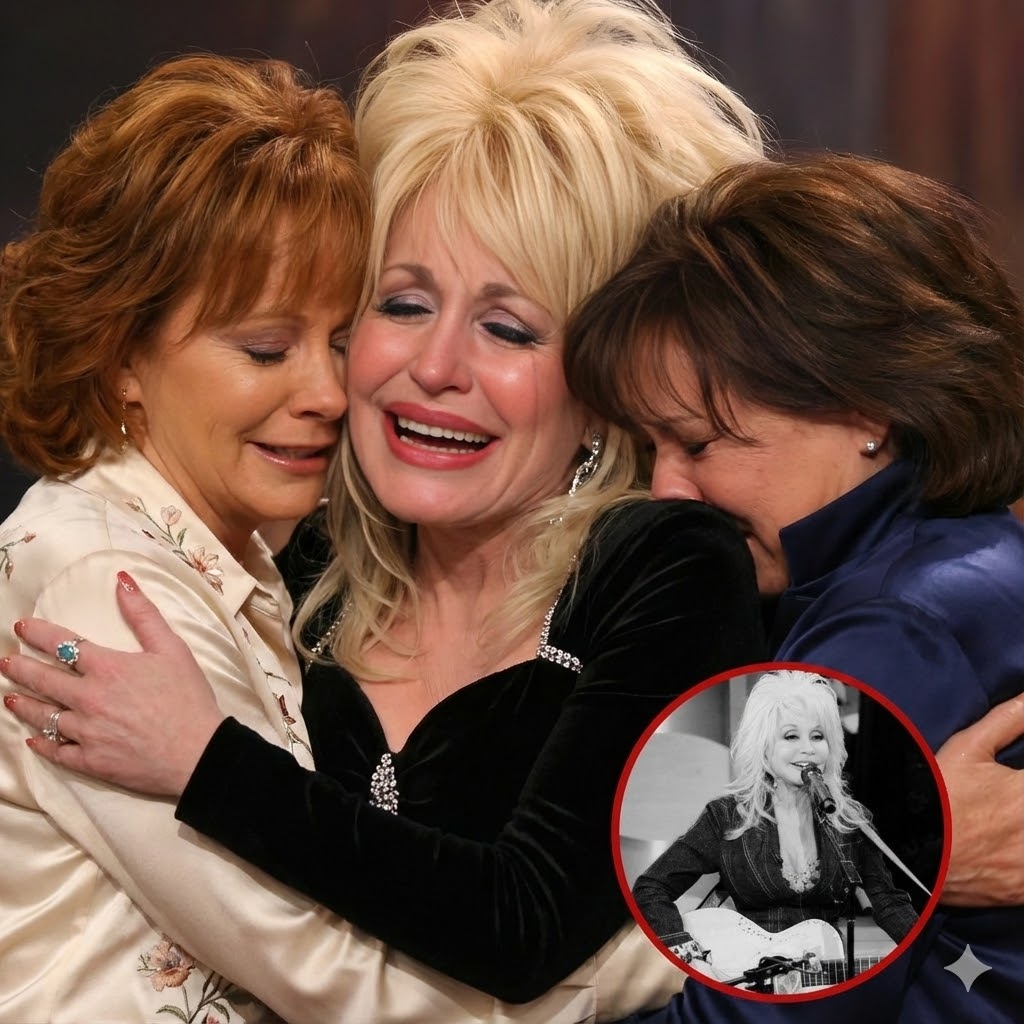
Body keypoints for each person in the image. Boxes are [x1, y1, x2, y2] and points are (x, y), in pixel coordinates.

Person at [0, 1, 769, 1021]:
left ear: (602, 378)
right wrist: (667, 960)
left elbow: (525, 922)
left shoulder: (668, 575)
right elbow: (309, 964)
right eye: (402, 304)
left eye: (508, 328)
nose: (434, 367)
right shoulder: (288, 567)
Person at [564, 152, 1024, 1020]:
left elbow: (764, 1008)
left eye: (698, 443)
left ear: (866, 410)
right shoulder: (945, 566)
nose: (666, 490)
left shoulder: (893, 630)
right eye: (650, 448)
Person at [631, 671, 919, 991]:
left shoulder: (849, 821)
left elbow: (888, 902)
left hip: (818, 980)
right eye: (791, 736)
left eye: (818, 736)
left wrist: (929, 951)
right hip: (741, 982)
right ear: (764, 747)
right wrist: (690, 957)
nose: (808, 749)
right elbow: (651, 888)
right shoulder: (726, 816)